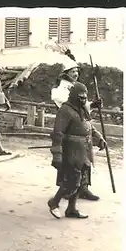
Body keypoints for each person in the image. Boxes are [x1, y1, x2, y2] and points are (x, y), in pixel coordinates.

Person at [47, 82, 107, 219]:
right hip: (71, 150)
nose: (83, 99)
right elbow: (58, 133)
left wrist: (99, 138)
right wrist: (57, 154)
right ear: (74, 96)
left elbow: (89, 127)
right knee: (72, 181)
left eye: (85, 96)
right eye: (80, 96)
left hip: (84, 150)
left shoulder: (82, 109)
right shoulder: (65, 110)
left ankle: (71, 209)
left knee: (81, 181)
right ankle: (54, 202)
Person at [50, 59, 103, 201]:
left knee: (85, 159)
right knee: (72, 161)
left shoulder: (77, 86)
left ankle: (84, 188)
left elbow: (83, 107)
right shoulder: (61, 88)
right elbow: (69, 106)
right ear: (66, 73)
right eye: (73, 72)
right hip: (69, 126)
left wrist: (92, 104)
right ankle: (68, 189)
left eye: (77, 71)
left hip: (81, 126)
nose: (76, 74)